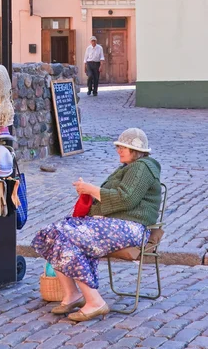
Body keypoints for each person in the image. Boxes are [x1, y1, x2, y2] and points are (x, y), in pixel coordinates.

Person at [32, 128, 161, 322]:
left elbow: (126, 200)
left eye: (123, 147)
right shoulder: (128, 167)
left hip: (131, 227)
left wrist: (91, 189)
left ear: (136, 150)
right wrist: (89, 192)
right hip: (112, 224)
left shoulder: (142, 167)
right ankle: (72, 294)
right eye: (118, 146)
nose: (119, 150)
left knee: (65, 234)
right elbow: (114, 198)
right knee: (52, 233)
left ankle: (95, 301)